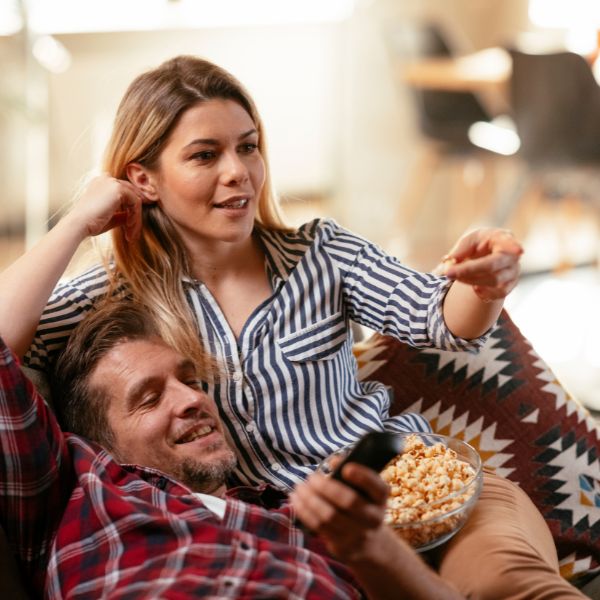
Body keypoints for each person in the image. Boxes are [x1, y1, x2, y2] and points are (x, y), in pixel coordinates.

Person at [0, 55, 523, 491]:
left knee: (516, 579)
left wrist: (484, 285)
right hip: (282, 532)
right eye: (205, 155)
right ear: (144, 180)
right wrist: (75, 223)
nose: (239, 171)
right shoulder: (112, 295)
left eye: (247, 147)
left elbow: (443, 319)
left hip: (406, 479)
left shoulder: (323, 252)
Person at [0, 301, 585, 599]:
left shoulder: (295, 514)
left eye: (191, 380)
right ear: (93, 443)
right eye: (149, 397)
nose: (192, 401)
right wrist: (83, 217)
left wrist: (373, 549)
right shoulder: (77, 492)